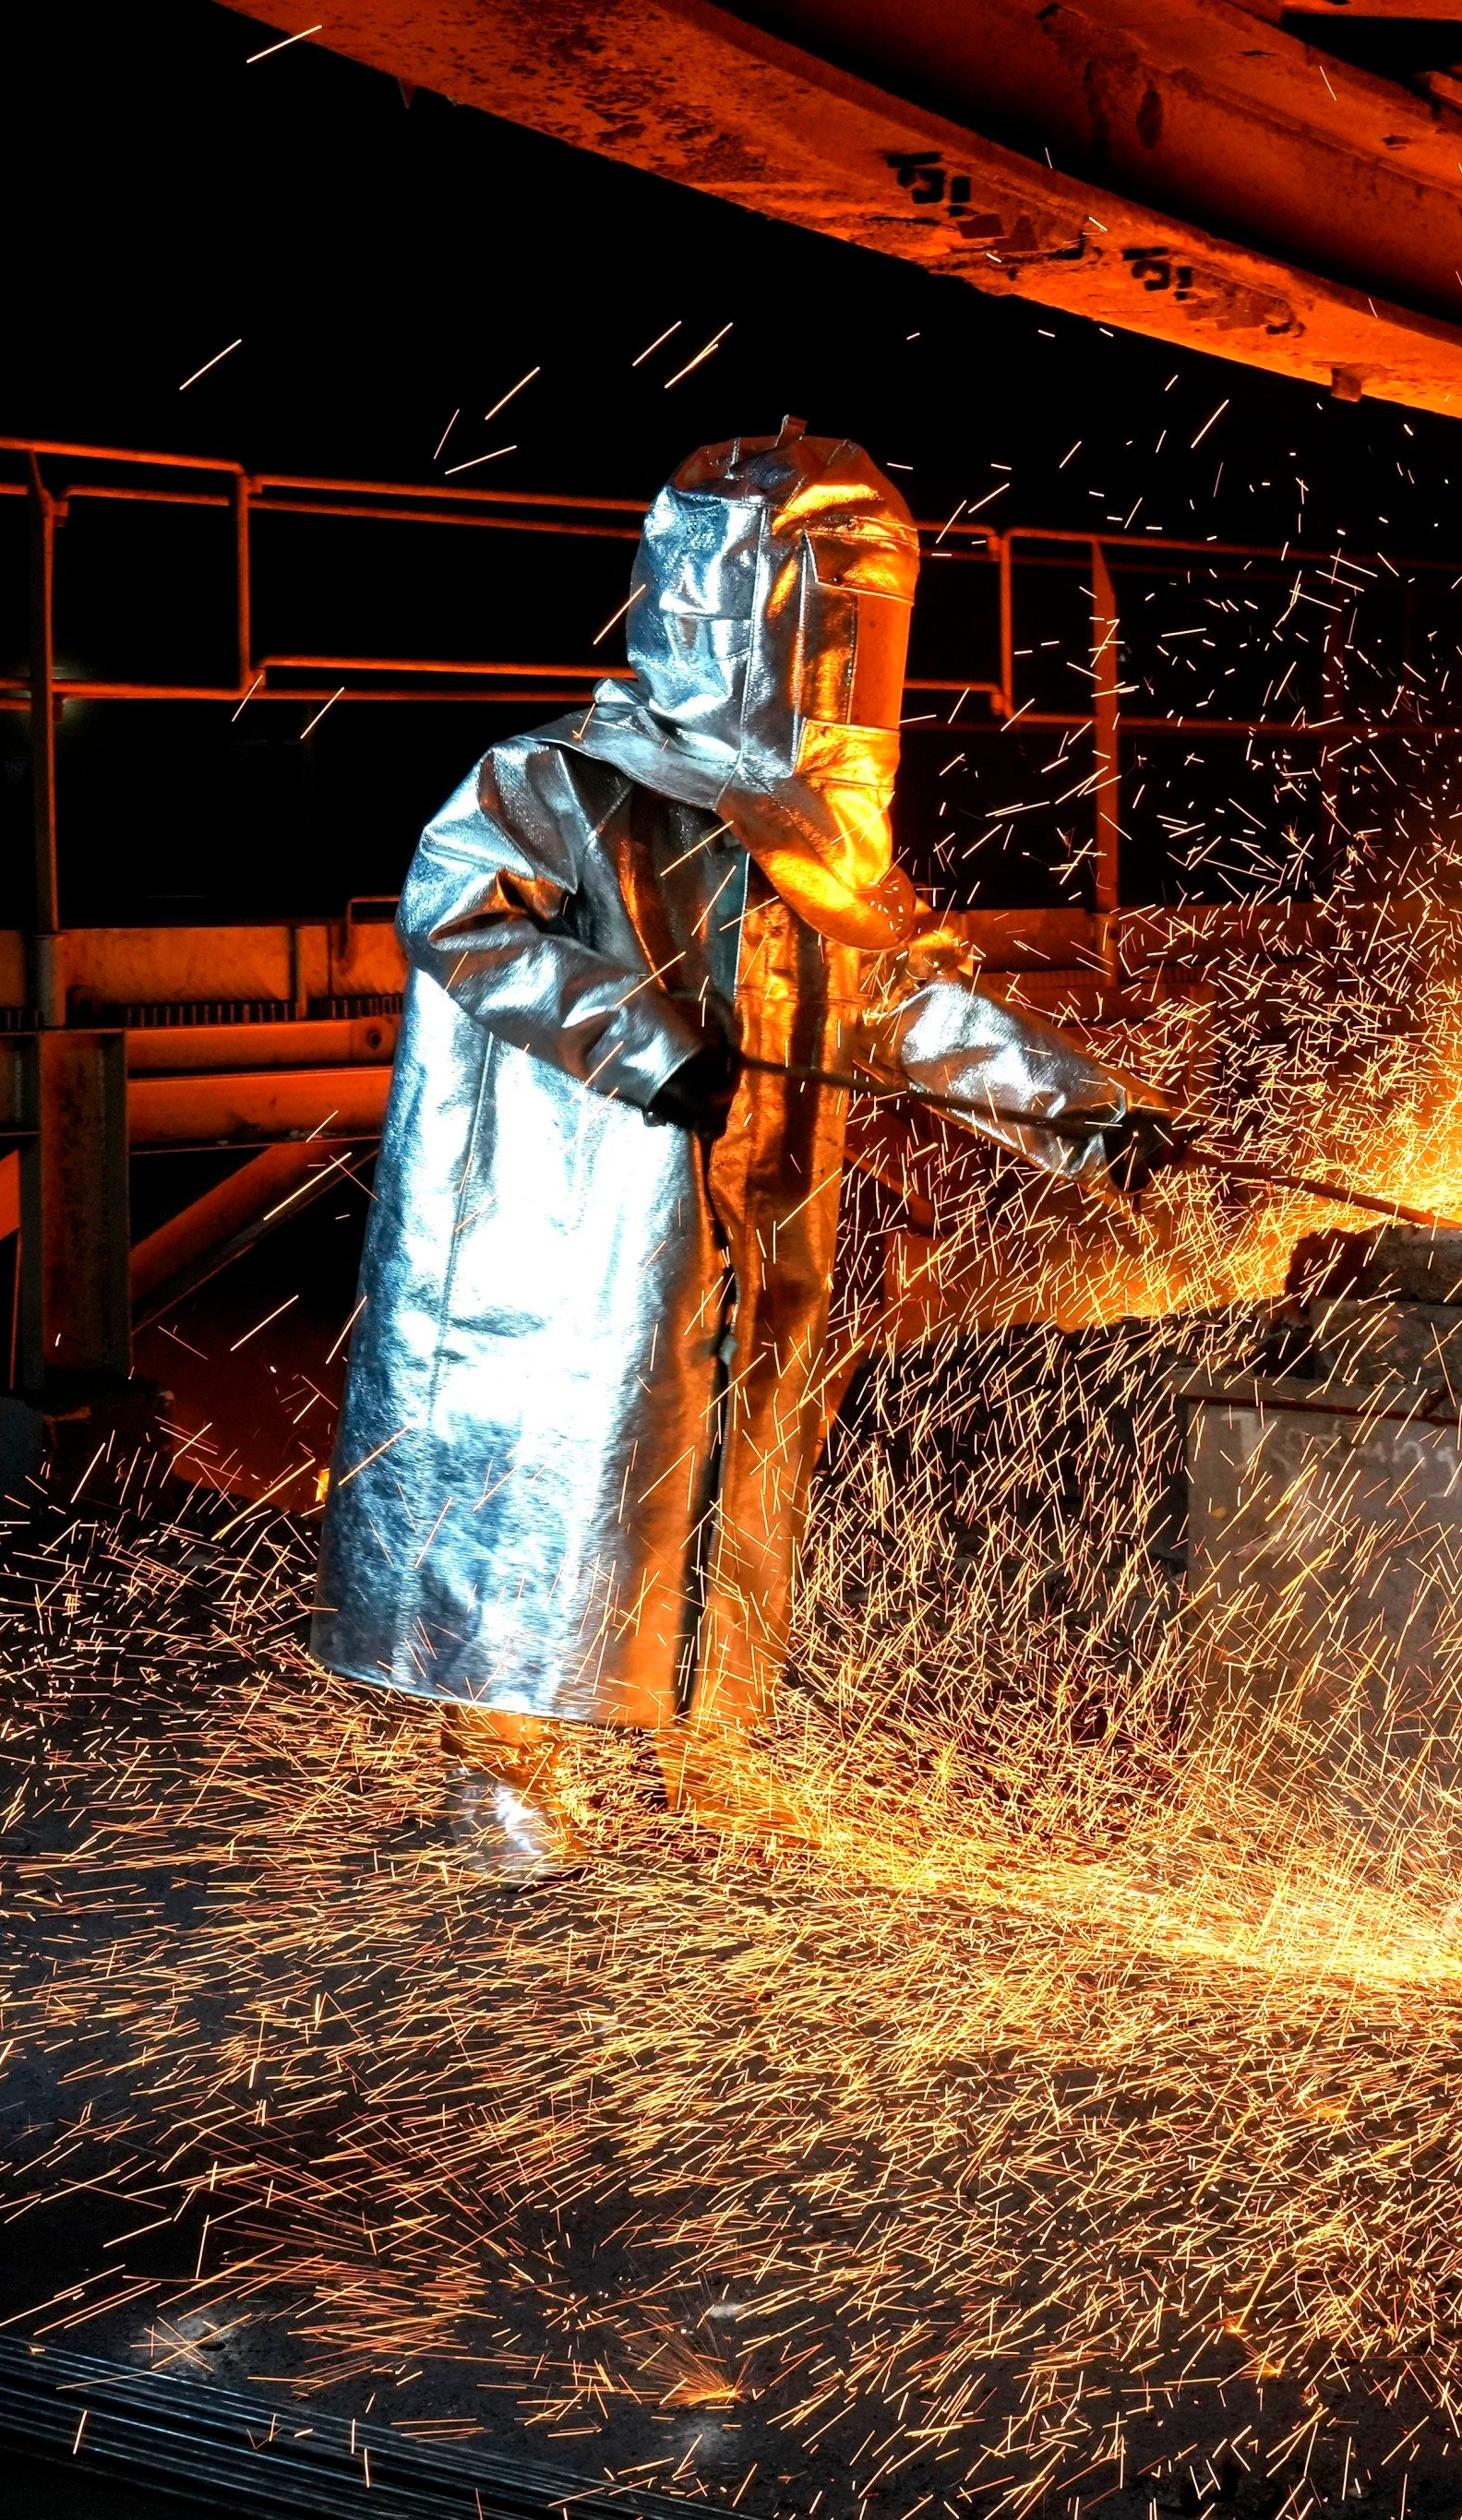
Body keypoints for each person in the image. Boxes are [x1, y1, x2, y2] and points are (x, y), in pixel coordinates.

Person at [313, 429, 1179, 1879]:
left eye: (868, 626)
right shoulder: (562, 784)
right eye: (830, 621)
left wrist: (1084, 1115)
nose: (849, 665)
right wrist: (650, 1049)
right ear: (735, 611)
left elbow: (900, 1009)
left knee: (728, 1484)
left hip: (757, 1223)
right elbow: (456, 921)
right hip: (572, 1241)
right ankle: (500, 1775)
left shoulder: (818, 846)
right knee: (539, 1485)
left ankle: (701, 1762)